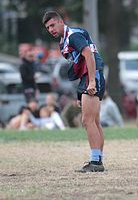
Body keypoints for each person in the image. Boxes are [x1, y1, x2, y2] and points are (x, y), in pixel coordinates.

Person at [42, 11, 106, 172]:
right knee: (94, 121)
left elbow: (89, 55)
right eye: (48, 27)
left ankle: (96, 162)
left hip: (93, 75)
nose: (51, 29)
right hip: (89, 76)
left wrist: (91, 81)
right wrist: (80, 93)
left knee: (87, 121)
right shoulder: (64, 41)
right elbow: (80, 64)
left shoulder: (72, 35)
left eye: (52, 25)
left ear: (61, 22)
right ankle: (97, 159)